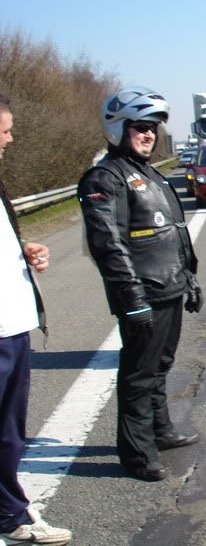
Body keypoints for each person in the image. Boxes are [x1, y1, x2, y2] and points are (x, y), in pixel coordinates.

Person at [78, 86, 202, 482]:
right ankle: (136, 454)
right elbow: (108, 246)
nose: (150, 135)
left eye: (154, 128)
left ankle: (160, 431)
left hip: (169, 287)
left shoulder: (148, 173)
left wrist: (190, 278)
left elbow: (173, 233)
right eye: (141, 127)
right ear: (118, 128)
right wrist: (132, 299)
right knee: (138, 374)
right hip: (143, 294)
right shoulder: (106, 177)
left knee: (160, 366)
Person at [0, 94, 73, 544]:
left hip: (12, 324)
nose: (10, 139)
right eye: (3, 131)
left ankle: (10, 514)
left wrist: (24, 255)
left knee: (9, 436)